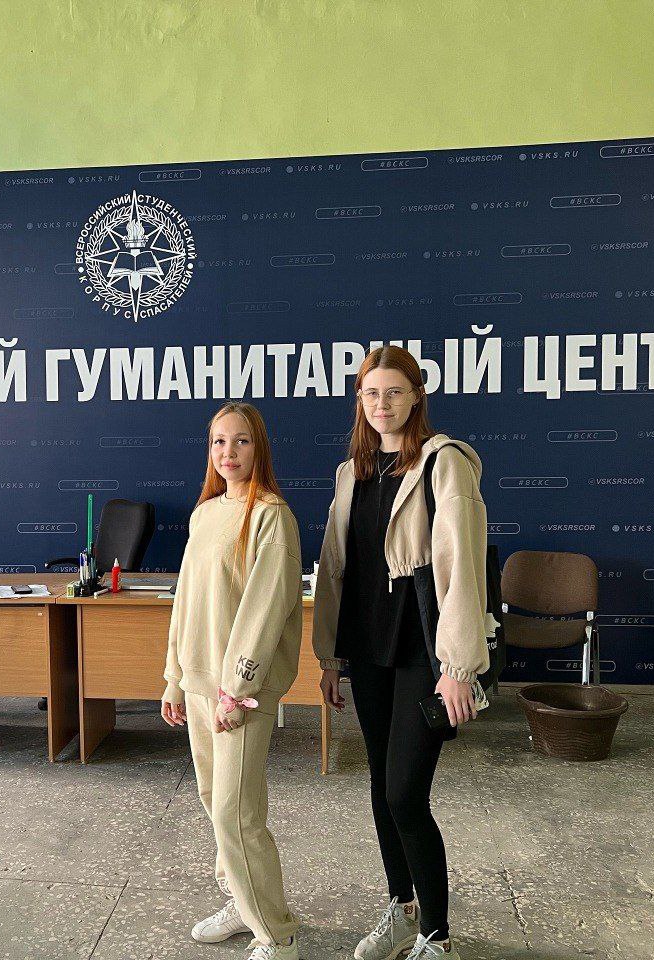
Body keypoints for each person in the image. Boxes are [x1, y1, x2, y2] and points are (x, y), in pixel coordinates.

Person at [313, 345, 491, 960]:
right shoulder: (351, 473)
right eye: (370, 393)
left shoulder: (444, 463)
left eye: (393, 392)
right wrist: (330, 658)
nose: (381, 404)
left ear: (416, 396)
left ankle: (436, 937)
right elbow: (336, 570)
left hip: (422, 652)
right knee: (380, 789)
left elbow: (462, 570)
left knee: (404, 795)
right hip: (367, 651)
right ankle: (402, 907)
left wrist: (458, 668)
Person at [161, 401, 304, 960]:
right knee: (213, 802)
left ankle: (277, 935)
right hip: (200, 686)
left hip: (237, 695)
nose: (228, 452)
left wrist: (235, 691)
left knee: (236, 815)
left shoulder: (271, 516)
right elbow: (186, 602)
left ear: (258, 447)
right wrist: (174, 677)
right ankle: (243, 904)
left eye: (240, 441)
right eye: (218, 442)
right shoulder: (205, 514)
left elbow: (265, 611)